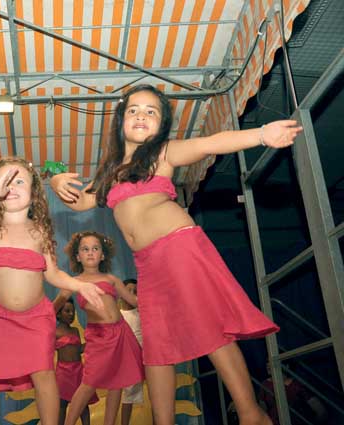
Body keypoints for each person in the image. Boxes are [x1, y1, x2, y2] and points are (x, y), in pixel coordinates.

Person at [50, 84, 301, 425]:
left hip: (178, 246)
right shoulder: (110, 172)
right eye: (133, 110)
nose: (141, 115)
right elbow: (81, 202)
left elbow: (209, 143)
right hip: (147, 262)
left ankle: (250, 413)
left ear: (162, 124)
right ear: (121, 120)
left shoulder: (162, 153)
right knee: (157, 346)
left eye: (151, 111)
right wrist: (56, 183)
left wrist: (260, 134)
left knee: (208, 329)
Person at [0, 156, 105, 425]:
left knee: (43, 374)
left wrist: (80, 284)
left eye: (19, 182)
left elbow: (53, 273)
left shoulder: (39, 232)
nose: (11, 187)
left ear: (34, 192)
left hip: (36, 318)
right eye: (5, 181)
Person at [62, 231, 144, 425]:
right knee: (88, 383)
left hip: (121, 332)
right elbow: (55, 305)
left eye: (95, 248)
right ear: (77, 256)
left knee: (118, 382)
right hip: (99, 336)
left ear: (103, 254)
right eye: (85, 249)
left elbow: (134, 301)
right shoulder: (75, 282)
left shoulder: (111, 279)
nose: (90, 252)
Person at [52, 293, 96, 425]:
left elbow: (79, 349)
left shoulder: (75, 330)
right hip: (63, 373)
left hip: (78, 371)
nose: (71, 314)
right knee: (62, 404)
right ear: (58, 314)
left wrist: (92, 343)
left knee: (82, 403)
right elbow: (47, 350)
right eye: (67, 311)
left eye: (73, 311)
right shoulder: (55, 332)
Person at [258, 364, 328, 425]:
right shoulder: (265, 385)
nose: (268, 365)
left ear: (286, 366)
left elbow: (320, 410)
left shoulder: (296, 385)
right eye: (267, 362)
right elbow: (262, 409)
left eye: (270, 362)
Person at [119, 278, 144, 425]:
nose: (132, 294)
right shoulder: (119, 315)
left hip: (145, 357)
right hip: (128, 359)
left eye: (135, 291)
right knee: (128, 394)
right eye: (129, 291)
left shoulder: (141, 313)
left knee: (156, 391)